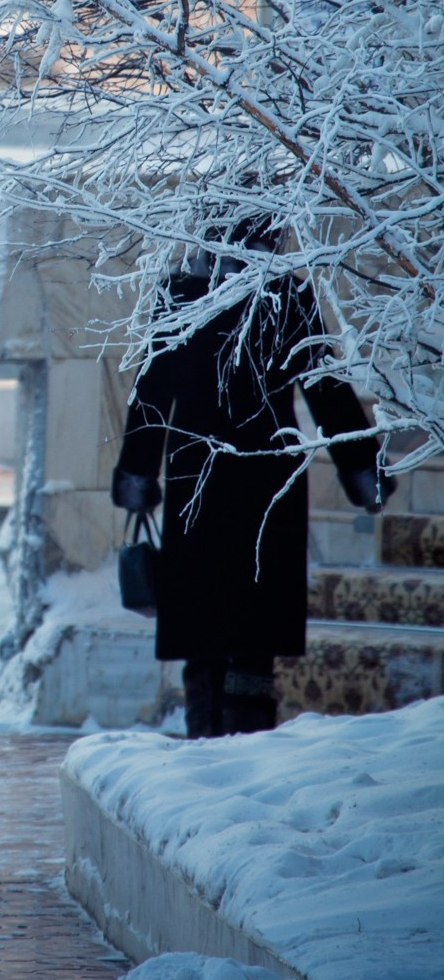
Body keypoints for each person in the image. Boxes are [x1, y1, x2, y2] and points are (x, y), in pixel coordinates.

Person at [112, 245, 389, 738]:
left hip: (197, 477)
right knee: (253, 636)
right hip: (268, 476)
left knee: (203, 635)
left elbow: (151, 392)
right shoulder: (287, 292)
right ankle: (248, 749)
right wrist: (363, 469)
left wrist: (137, 473)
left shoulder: (182, 291)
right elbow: (325, 387)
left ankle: (205, 743)